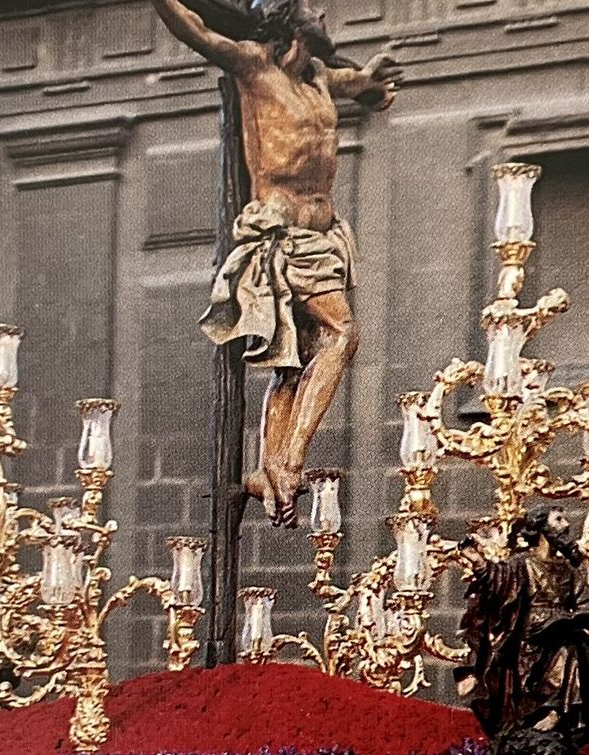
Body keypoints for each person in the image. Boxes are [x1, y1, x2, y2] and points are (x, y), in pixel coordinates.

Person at [149, 0, 403, 526]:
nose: (325, 13)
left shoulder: (318, 78)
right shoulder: (253, 67)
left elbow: (355, 83)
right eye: (313, 7)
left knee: (295, 358)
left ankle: (268, 468)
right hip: (285, 234)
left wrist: (372, 83)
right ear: (288, 20)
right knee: (342, 336)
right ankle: (290, 461)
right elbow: (194, 29)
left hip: (327, 235)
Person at [456, 507, 589, 755]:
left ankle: (556, 711)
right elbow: (498, 581)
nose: (566, 525)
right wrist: (477, 561)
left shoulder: (569, 570)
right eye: (558, 519)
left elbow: (588, 602)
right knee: (565, 652)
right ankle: (547, 713)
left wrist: (579, 616)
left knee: (574, 650)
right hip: (526, 641)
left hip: (561, 633)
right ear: (541, 528)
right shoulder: (522, 564)